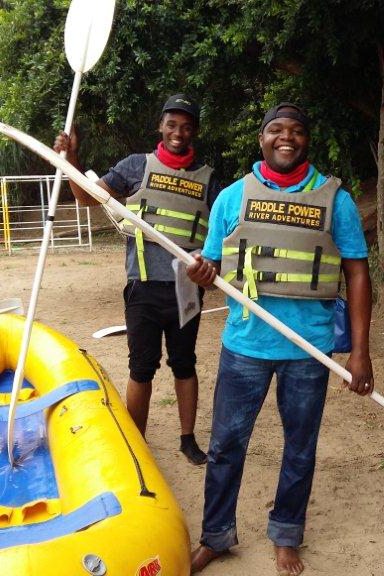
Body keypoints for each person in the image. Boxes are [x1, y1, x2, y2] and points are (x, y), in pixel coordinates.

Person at [185, 102, 374, 575]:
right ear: (262, 139)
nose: (285, 137)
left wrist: (360, 352)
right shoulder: (231, 197)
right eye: (275, 130)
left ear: (306, 140)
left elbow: (356, 274)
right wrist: (203, 274)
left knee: (300, 448)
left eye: (295, 131)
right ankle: (216, 535)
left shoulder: (338, 201)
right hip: (244, 345)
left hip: (309, 351)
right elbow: (211, 267)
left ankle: (286, 535)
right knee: (226, 444)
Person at [54, 94, 221, 465]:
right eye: (172, 124)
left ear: (194, 132)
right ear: (161, 127)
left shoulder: (208, 179)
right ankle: (136, 443)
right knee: (141, 367)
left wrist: (213, 268)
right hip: (143, 286)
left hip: (185, 288)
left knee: (185, 363)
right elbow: (87, 199)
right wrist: (71, 161)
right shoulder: (135, 167)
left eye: (187, 126)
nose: (179, 132)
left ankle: (188, 439)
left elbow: (219, 236)